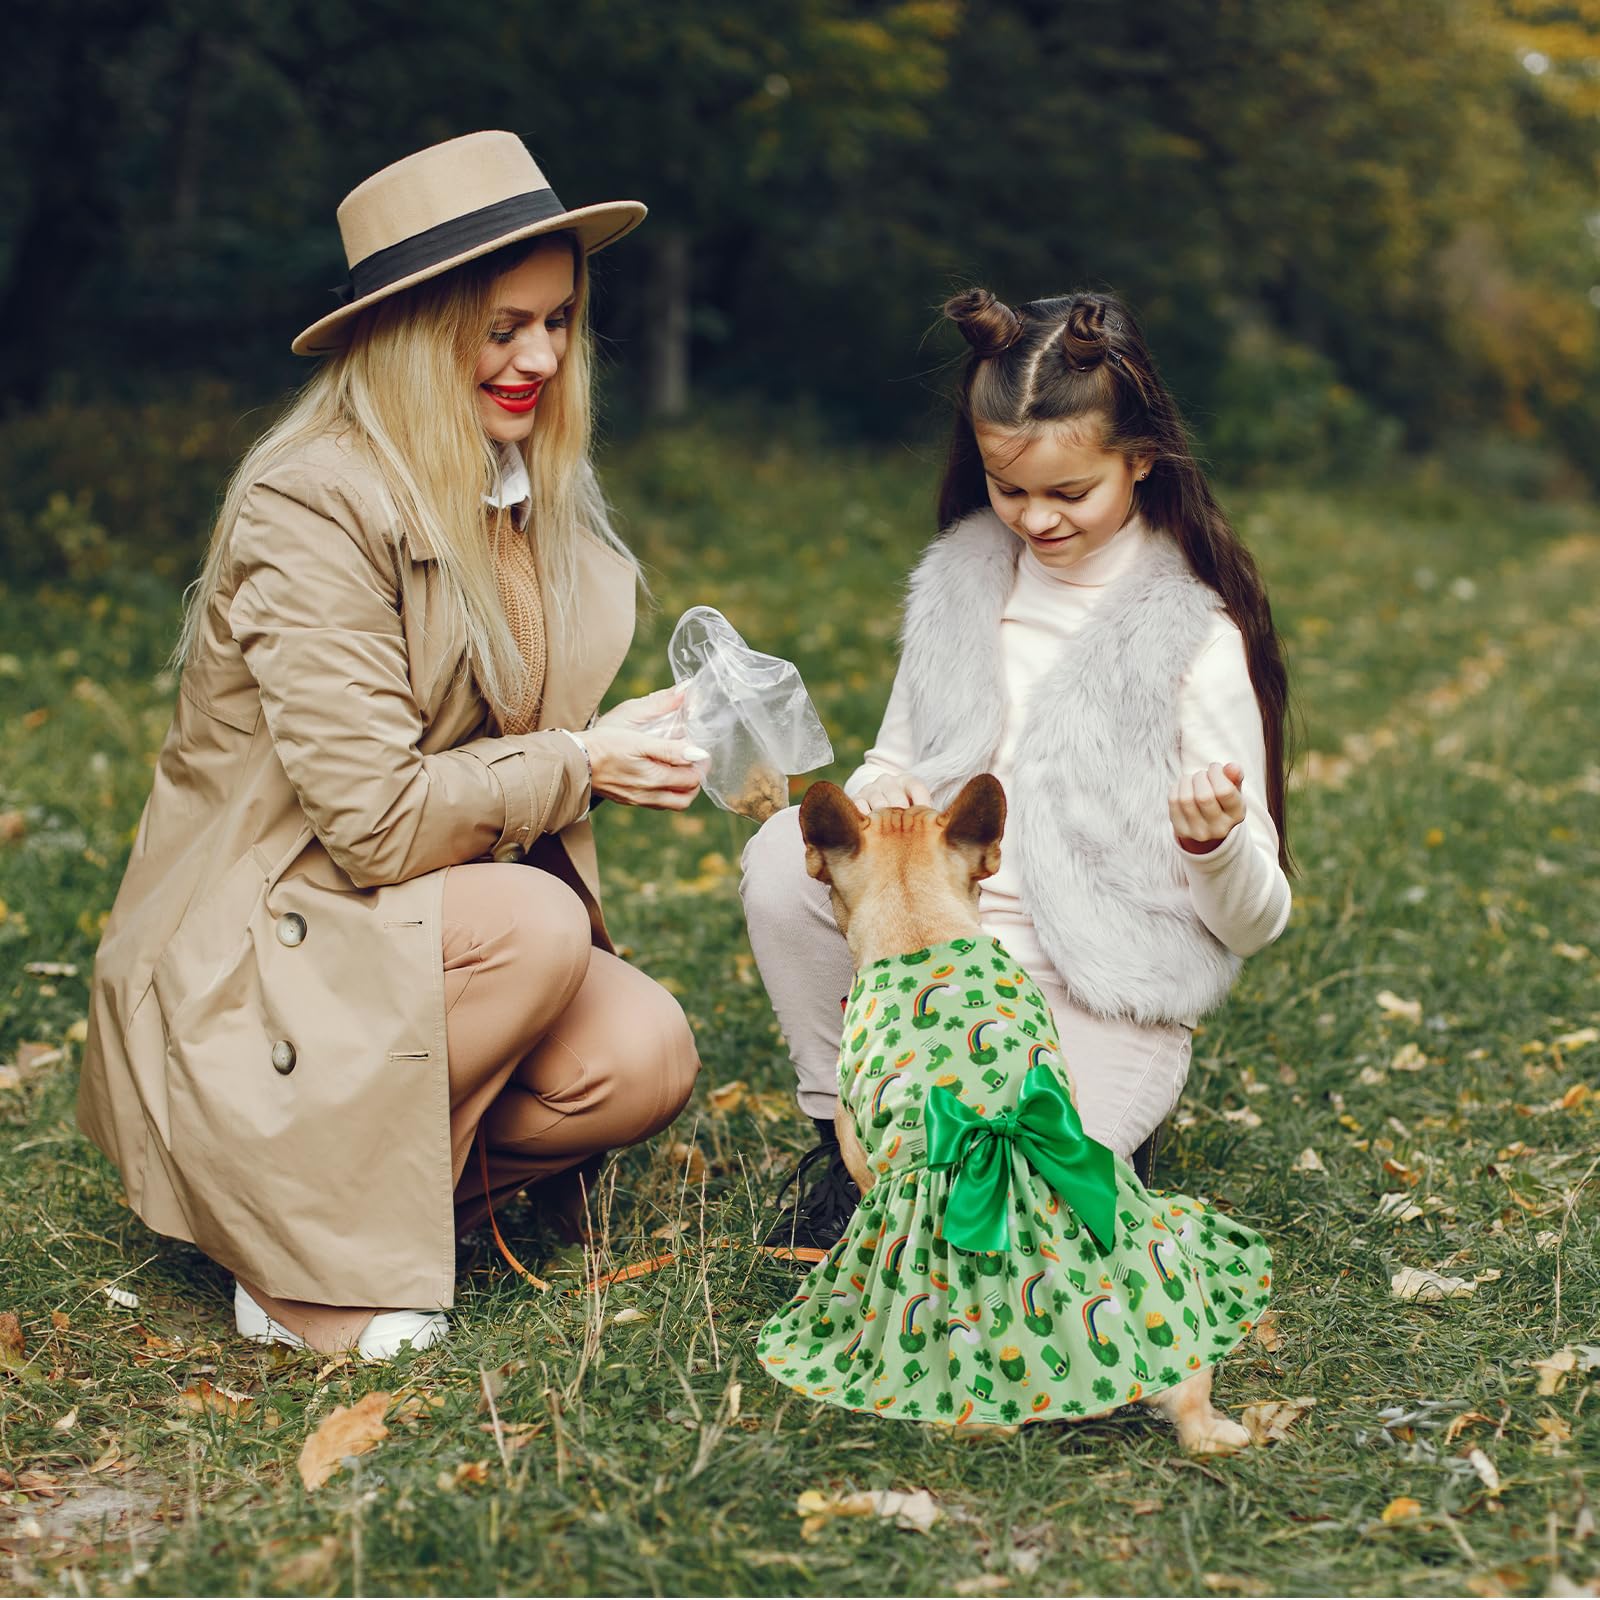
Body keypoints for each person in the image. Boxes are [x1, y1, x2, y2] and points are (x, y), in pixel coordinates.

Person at [77, 131, 704, 1359]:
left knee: (642, 1055)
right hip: (265, 936)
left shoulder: (512, 486)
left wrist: (640, 741)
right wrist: (583, 762)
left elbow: (504, 738)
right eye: (501, 328)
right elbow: (374, 820)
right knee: (536, 925)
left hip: (384, 925)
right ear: (415, 333)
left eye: (558, 321)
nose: (542, 358)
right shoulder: (312, 500)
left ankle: (359, 1215)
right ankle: (291, 1263)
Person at [741, 288, 1293, 1251]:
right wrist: (880, 792)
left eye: (1068, 493)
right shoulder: (959, 586)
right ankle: (848, 1137)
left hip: (1088, 987)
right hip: (931, 969)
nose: (1034, 518)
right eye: (1009, 489)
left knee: (1013, 1225)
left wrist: (1216, 847)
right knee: (783, 861)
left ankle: (1101, 1123)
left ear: (1141, 459)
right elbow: (890, 760)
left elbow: (1257, 920)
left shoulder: (1192, 637)